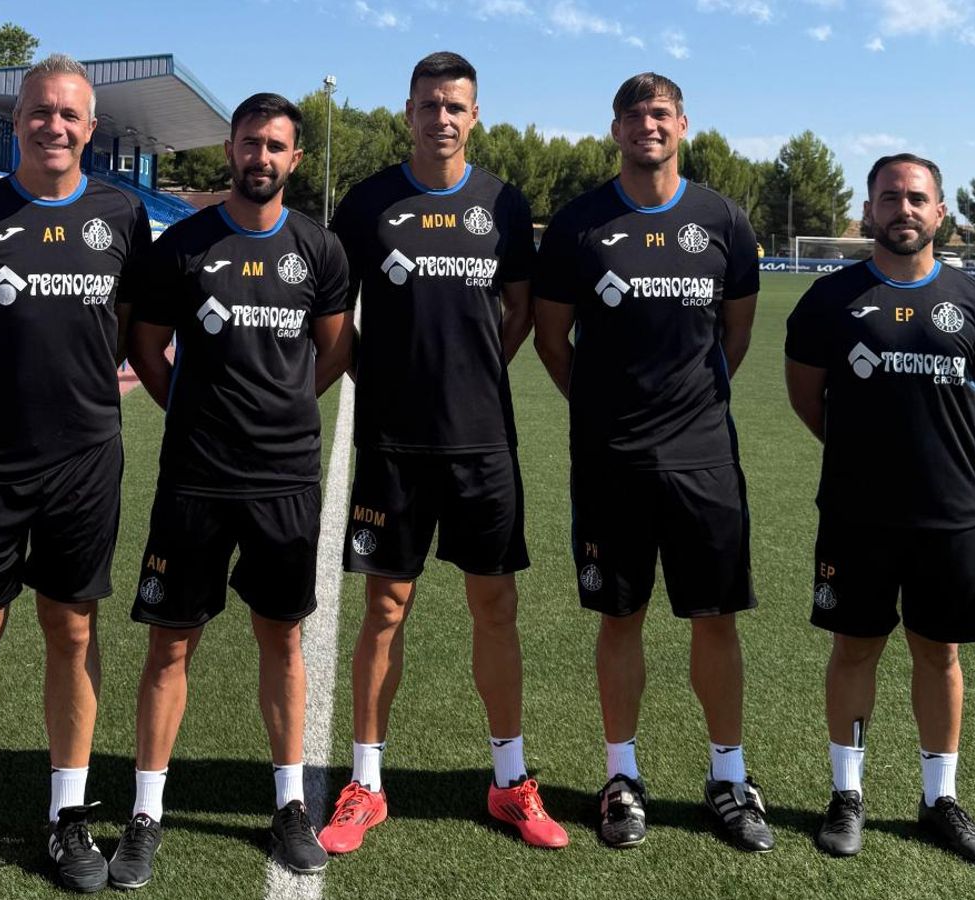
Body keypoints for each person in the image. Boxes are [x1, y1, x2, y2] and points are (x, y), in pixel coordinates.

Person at [0, 54, 153, 899]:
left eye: (70, 114)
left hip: (84, 460)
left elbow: (121, 328)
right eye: (40, 111)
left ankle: (67, 814)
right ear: (17, 120)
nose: (55, 125)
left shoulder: (122, 215)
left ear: (91, 128)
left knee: (72, 630)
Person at [316, 51, 563, 853]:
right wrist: (383, 377)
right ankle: (366, 782)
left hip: (481, 441)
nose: (442, 118)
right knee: (385, 608)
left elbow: (519, 309)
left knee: (495, 606)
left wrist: (475, 375)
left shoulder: (503, 202)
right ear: (409, 112)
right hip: (392, 442)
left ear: (475, 115)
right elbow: (333, 312)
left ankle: (510, 780)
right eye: (429, 104)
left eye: (455, 105)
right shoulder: (368, 203)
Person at [110, 92, 353, 887]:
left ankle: (290, 805)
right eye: (251, 143)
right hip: (196, 475)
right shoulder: (183, 245)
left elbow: (334, 350)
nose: (262, 157)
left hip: (284, 477)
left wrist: (283, 411)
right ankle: (146, 812)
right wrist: (191, 411)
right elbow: (145, 347)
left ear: (295, 159)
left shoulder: (319, 249)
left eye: (276, 146)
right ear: (230, 150)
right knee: (170, 642)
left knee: (282, 639)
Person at [532, 72, 769, 853]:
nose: (648, 125)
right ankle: (621, 777)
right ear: (616, 130)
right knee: (620, 617)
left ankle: (729, 778)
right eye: (633, 115)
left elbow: (735, 334)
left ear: (683, 125)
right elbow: (551, 341)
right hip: (611, 460)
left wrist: (690, 406)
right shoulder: (578, 224)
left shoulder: (723, 220)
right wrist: (604, 410)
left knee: (715, 619)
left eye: (660, 113)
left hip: (704, 457)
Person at [784, 153, 975, 865]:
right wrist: (863, 455)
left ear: (940, 211)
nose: (903, 209)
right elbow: (806, 397)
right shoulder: (828, 299)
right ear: (868, 211)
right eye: (889, 197)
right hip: (856, 513)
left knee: (939, 652)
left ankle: (939, 798)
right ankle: (846, 794)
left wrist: (938, 456)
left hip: (950, 514)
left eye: (917, 198)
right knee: (855, 648)